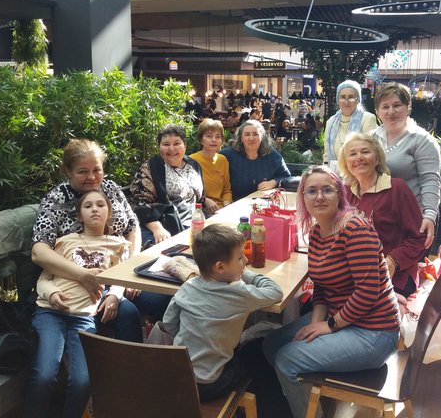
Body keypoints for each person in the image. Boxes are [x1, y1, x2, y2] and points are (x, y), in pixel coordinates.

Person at [263, 165, 400, 418]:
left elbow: (368, 292)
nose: (319, 197)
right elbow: (322, 286)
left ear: (340, 194)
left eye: (327, 190)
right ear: (302, 197)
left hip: (374, 332)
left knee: (287, 359)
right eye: (311, 191)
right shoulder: (317, 232)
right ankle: (306, 400)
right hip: (343, 318)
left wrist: (329, 326)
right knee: (271, 345)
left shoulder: (355, 230)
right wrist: (315, 324)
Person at [32, 139, 166, 343]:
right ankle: (128, 362)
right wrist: (83, 275)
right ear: (67, 171)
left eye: (97, 170)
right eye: (83, 171)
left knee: (167, 298)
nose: (92, 177)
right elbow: (39, 251)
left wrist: (128, 271)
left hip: (122, 270)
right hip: (80, 281)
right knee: (126, 314)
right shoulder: (56, 200)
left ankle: (170, 354)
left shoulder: (110, 189)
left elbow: (132, 227)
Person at [25, 190, 129, 418]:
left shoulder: (119, 245)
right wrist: (52, 293)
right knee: (44, 375)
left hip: (83, 317)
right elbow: (44, 278)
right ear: (79, 216)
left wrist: (115, 295)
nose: (95, 209)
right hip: (50, 312)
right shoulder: (66, 241)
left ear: (109, 212)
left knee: (83, 381)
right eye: (88, 206)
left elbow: (121, 278)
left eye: (100, 205)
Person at [161, 224, 283, 401]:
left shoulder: (187, 286)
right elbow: (275, 292)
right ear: (220, 267)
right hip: (208, 384)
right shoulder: (239, 294)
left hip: (178, 376)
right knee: (250, 359)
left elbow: (168, 324)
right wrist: (246, 274)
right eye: (240, 258)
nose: (245, 261)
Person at [339, 133, 426, 297]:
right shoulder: (346, 192)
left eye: (365, 152)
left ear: (377, 158)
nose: (359, 158)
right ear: (346, 163)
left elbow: (419, 238)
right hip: (355, 275)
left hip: (394, 276)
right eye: (352, 154)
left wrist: (393, 261)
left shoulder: (397, 189)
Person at [371, 82, 441, 249]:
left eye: (397, 105)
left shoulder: (422, 140)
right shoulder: (371, 138)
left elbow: (430, 179)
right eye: (385, 107)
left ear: (408, 107)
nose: (391, 111)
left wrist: (430, 215)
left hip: (409, 220)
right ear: (377, 111)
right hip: (378, 218)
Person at [130, 124, 205, 245]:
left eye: (176, 143)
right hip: (168, 226)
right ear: (159, 147)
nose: (171, 148)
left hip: (196, 224)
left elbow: (196, 196)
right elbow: (140, 204)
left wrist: (206, 200)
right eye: (166, 144)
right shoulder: (152, 167)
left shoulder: (193, 165)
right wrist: (157, 229)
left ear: (185, 145)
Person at [219, 119, 291, 200]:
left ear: (262, 137)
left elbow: (286, 176)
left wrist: (273, 182)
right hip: (234, 202)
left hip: (263, 202)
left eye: (255, 134)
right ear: (241, 138)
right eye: (247, 134)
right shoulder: (228, 154)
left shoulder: (271, 154)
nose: (251, 138)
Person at [323, 79, 378, 171]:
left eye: (351, 97)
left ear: (358, 100)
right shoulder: (330, 122)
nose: (346, 101)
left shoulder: (367, 119)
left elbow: (371, 151)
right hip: (335, 173)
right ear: (337, 100)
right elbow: (326, 154)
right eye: (342, 97)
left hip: (360, 173)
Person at [189, 118, 232, 213]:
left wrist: (226, 206)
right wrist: (205, 200)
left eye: (218, 136)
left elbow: (226, 190)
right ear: (201, 140)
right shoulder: (192, 160)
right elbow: (189, 192)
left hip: (221, 209)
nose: (214, 140)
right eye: (209, 136)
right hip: (200, 210)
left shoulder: (222, 160)